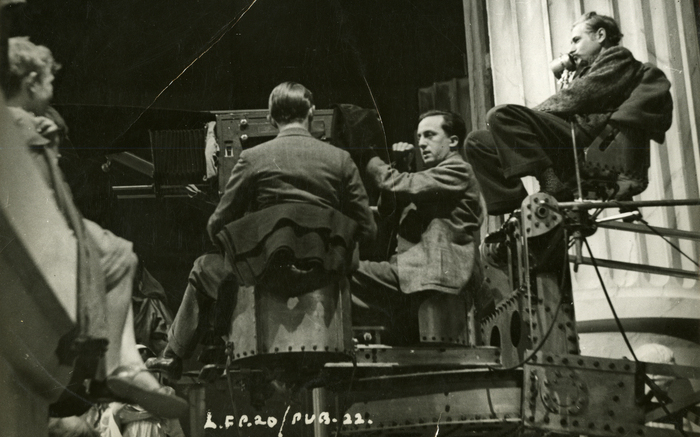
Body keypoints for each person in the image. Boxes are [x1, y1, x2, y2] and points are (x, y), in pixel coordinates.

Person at [4, 36, 187, 418]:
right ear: (32, 81)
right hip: (40, 234)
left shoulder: (25, 122)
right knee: (121, 255)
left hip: (31, 232)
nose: (53, 90)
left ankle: (123, 366)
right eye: (49, 81)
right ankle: (119, 365)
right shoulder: (26, 126)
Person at [147, 81, 376, 378]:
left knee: (205, 268)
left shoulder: (252, 159)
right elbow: (368, 228)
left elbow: (216, 224)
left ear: (270, 119)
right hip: (325, 274)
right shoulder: (341, 160)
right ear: (312, 113)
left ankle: (174, 356)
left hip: (269, 275)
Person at [465, 12, 673, 215]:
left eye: (576, 40)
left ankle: (551, 183)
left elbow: (581, 95)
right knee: (477, 142)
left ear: (600, 35)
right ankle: (516, 208)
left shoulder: (617, 57)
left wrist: (525, 118)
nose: (571, 49)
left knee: (501, 115)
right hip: (570, 134)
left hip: (586, 135)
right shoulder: (588, 68)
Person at [351, 110, 484, 344]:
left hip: (432, 270)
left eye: (430, 135)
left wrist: (366, 154)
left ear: (453, 141)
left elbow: (398, 183)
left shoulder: (458, 170)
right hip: (419, 269)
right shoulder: (434, 176)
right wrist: (401, 164)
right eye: (419, 136)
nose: (421, 143)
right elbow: (387, 208)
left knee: (344, 269)